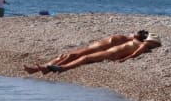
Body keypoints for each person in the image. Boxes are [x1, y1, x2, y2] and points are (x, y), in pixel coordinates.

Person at [23, 31, 160, 74]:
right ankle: (38, 69)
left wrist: (123, 59)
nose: (134, 31)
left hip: (99, 51)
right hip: (96, 48)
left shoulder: (134, 42)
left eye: (138, 32)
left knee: (71, 56)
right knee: (64, 55)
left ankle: (48, 68)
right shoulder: (128, 39)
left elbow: (140, 49)